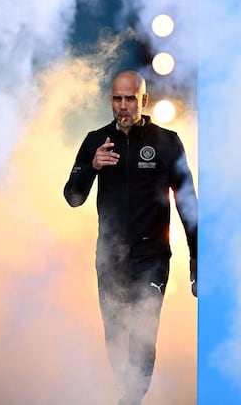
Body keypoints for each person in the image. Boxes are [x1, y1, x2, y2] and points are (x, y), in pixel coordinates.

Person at [63, 70, 197, 405]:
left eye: (130, 99)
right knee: (116, 337)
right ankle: (126, 394)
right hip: (109, 258)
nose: (123, 106)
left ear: (144, 100)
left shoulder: (167, 142)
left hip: (152, 259)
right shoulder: (96, 140)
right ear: (110, 99)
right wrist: (92, 166)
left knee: (142, 336)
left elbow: (188, 204)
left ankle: (131, 399)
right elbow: (73, 197)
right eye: (117, 99)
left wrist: (198, 260)